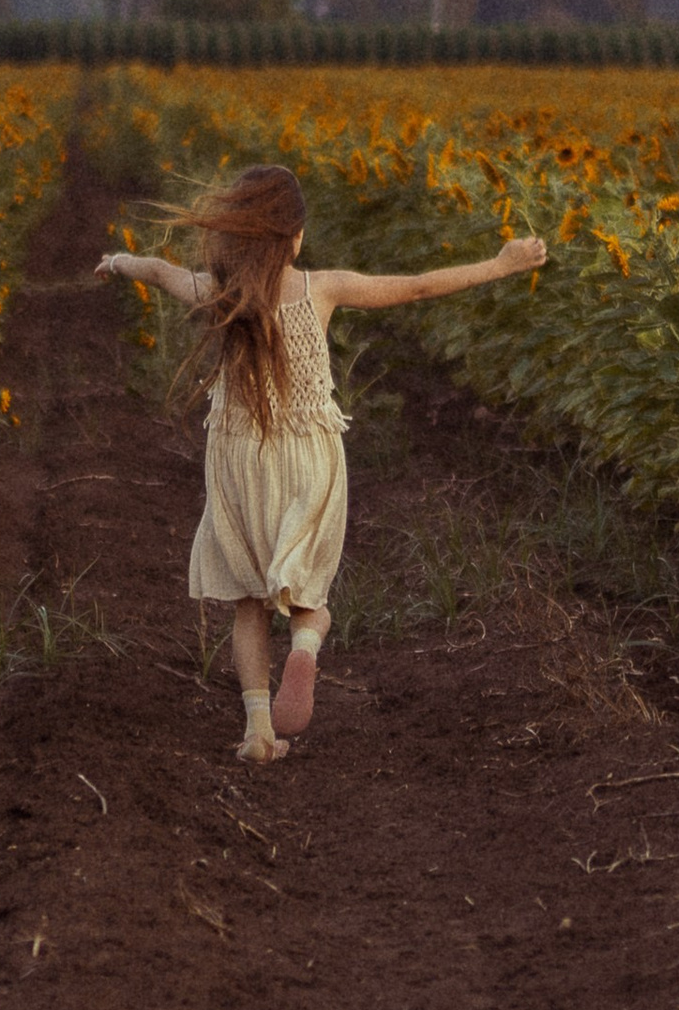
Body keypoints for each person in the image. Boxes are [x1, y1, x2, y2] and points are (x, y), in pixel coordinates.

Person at [97, 164, 547, 761]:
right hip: (309, 454)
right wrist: (501, 264)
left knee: (248, 601)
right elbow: (415, 286)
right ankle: (305, 646)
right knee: (308, 588)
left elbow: (157, 271)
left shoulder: (217, 293)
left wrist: (119, 264)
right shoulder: (323, 288)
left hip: (240, 457)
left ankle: (258, 730)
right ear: (297, 237)